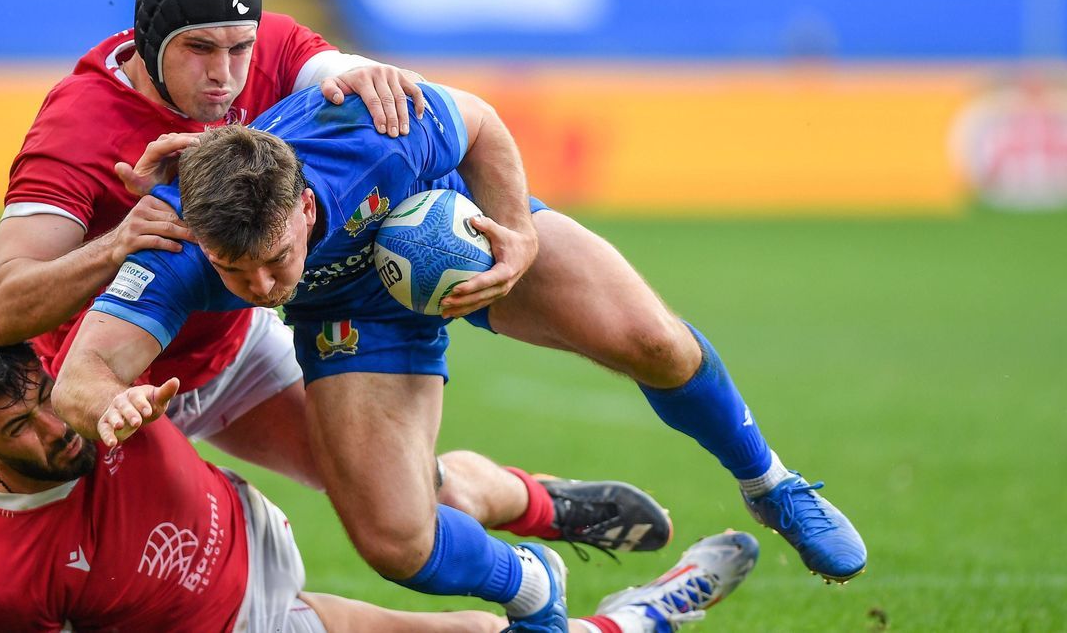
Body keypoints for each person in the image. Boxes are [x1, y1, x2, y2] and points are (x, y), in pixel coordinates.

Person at [52, 81, 866, 631]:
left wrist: (517, 234)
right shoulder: (177, 241)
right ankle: (534, 580)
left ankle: (772, 483)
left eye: (275, 258)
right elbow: (82, 372)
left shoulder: (364, 132)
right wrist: (107, 403)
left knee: (652, 339)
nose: (263, 286)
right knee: (394, 541)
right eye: (237, 272)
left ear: (304, 205)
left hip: (458, 227)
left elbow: (478, 121)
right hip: (351, 315)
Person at [0, 0, 672, 554]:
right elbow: (3, 310)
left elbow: (346, 79)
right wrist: (118, 244)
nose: (225, 75)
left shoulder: (266, 48)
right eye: (200, 49)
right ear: (153, 36)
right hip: (112, 384)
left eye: (237, 48)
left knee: (401, 506)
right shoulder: (77, 126)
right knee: (115, 588)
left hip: (236, 343)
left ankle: (542, 507)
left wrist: (375, 78)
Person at [0, 317, 759, 633]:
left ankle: (527, 502)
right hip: (245, 623)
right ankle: (644, 614)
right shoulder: (5, 569)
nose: (56, 426)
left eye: (44, 398)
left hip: (244, 509)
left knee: (410, 500)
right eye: (21, 430)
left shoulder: (84, 371)